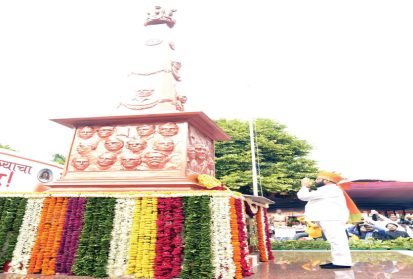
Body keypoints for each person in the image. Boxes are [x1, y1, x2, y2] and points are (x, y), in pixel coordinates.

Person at [298, 172, 352, 269]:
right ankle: (339, 261)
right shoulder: (328, 189)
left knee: (337, 241)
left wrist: (305, 187)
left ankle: (342, 262)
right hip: (330, 218)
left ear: (326, 180)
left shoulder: (329, 189)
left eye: (318, 179)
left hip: (331, 219)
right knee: (335, 240)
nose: (315, 181)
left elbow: (303, 196)